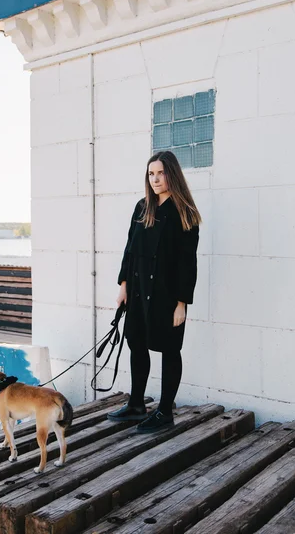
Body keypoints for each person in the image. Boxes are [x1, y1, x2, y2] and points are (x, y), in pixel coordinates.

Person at [107, 150, 201, 433]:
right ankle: (136, 404)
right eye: (151, 174)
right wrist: (124, 285)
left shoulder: (185, 212)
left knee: (170, 349)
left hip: (167, 293)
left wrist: (182, 303)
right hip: (138, 290)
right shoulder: (142, 206)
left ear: (172, 174)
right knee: (136, 342)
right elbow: (130, 248)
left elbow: (188, 262)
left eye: (160, 173)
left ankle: (164, 412)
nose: (156, 179)